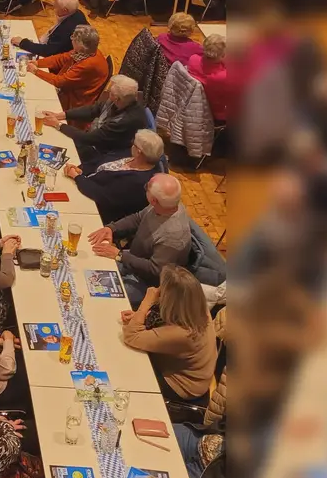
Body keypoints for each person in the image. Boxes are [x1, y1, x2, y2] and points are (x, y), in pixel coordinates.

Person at [121, 264, 216, 406]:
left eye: (162, 289)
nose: (158, 290)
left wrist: (146, 302)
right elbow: (164, 318)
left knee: (124, 374)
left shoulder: (184, 333)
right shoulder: (196, 309)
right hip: (174, 364)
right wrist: (139, 316)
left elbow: (131, 336)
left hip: (180, 386)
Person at [90, 174, 192, 302]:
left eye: (147, 188)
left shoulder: (173, 236)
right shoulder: (164, 205)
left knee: (98, 294)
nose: (145, 189)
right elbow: (138, 218)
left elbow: (155, 270)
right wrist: (111, 228)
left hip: (147, 284)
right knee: (92, 262)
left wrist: (120, 255)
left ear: (153, 200)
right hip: (132, 259)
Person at [62, 129, 166, 224]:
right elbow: (101, 160)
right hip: (85, 183)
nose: (131, 146)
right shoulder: (132, 155)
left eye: (134, 144)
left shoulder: (138, 182)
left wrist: (77, 177)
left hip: (94, 208)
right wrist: (80, 169)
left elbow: (103, 195)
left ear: (139, 152)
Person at [40, 74, 148, 162]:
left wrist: (57, 124)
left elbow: (89, 139)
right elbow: (93, 110)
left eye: (110, 93)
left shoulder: (126, 121)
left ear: (118, 99)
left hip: (104, 153)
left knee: (53, 148)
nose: (107, 93)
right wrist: (60, 115)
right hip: (94, 140)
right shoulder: (121, 100)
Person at [27, 24, 108, 110]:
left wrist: (36, 71)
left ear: (80, 45)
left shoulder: (88, 64)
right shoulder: (87, 50)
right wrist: (38, 63)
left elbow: (61, 82)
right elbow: (61, 59)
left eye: (73, 38)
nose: (71, 40)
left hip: (75, 101)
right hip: (69, 89)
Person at [188, 34, 235, 122]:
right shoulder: (222, 76)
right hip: (217, 113)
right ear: (222, 55)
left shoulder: (193, 59)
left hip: (196, 105)